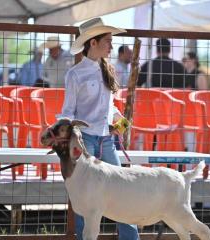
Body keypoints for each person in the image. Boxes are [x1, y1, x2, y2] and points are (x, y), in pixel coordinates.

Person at [58, 17, 139, 240]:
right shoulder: (74, 74)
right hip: (85, 143)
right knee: (86, 200)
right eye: (107, 40)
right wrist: (66, 129)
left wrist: (121, 123)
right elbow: (67, 111)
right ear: (92, 43)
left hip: (106, 141)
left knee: (124, 194)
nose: (112, 46)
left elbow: (110, 106)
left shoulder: (107, 70)